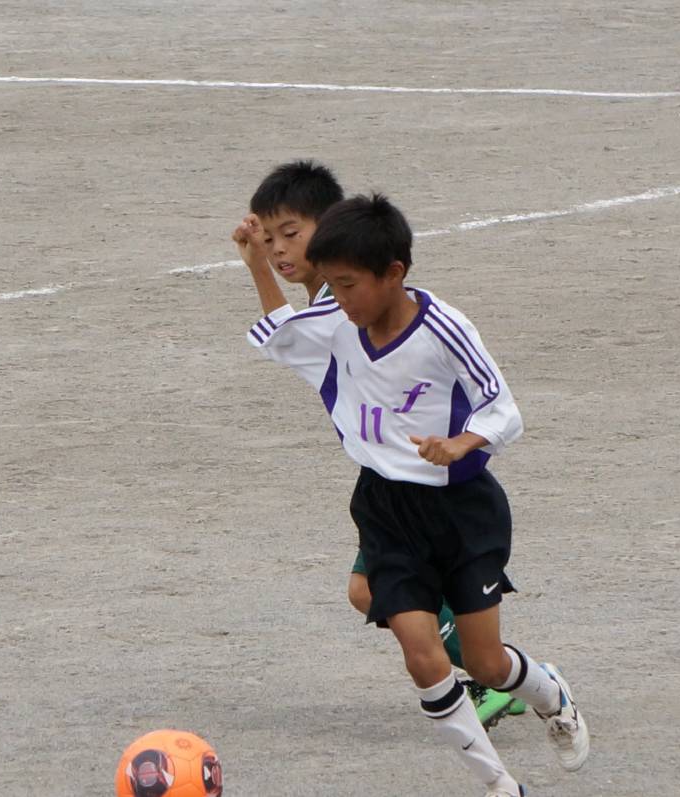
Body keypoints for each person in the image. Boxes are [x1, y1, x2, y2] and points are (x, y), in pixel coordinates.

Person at [247, 192, 590, 796]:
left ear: (394, 274)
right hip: (384, 507)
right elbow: (283, 339)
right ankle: (499, 787)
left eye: (347, 286)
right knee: (421, 655)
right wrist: (256, 264)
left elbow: (503, 408)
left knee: (486, 664)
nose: (338, 299)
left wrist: (461, 443)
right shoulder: (338, 322)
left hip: (462, 510)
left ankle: (549, 693)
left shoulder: (444, 328)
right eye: (332, 285)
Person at [235, 161, 524, 730]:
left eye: (290, 234)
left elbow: (288, 341)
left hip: (424, 483)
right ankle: (487, 674)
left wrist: (459, 443)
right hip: (390, 479)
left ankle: (492, 679)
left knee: (371, 591)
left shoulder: (347, 303)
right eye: (268, 239)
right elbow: (295, 342)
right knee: (369, 591)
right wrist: (258, 268)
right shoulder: (336, 300)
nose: (278, 250)